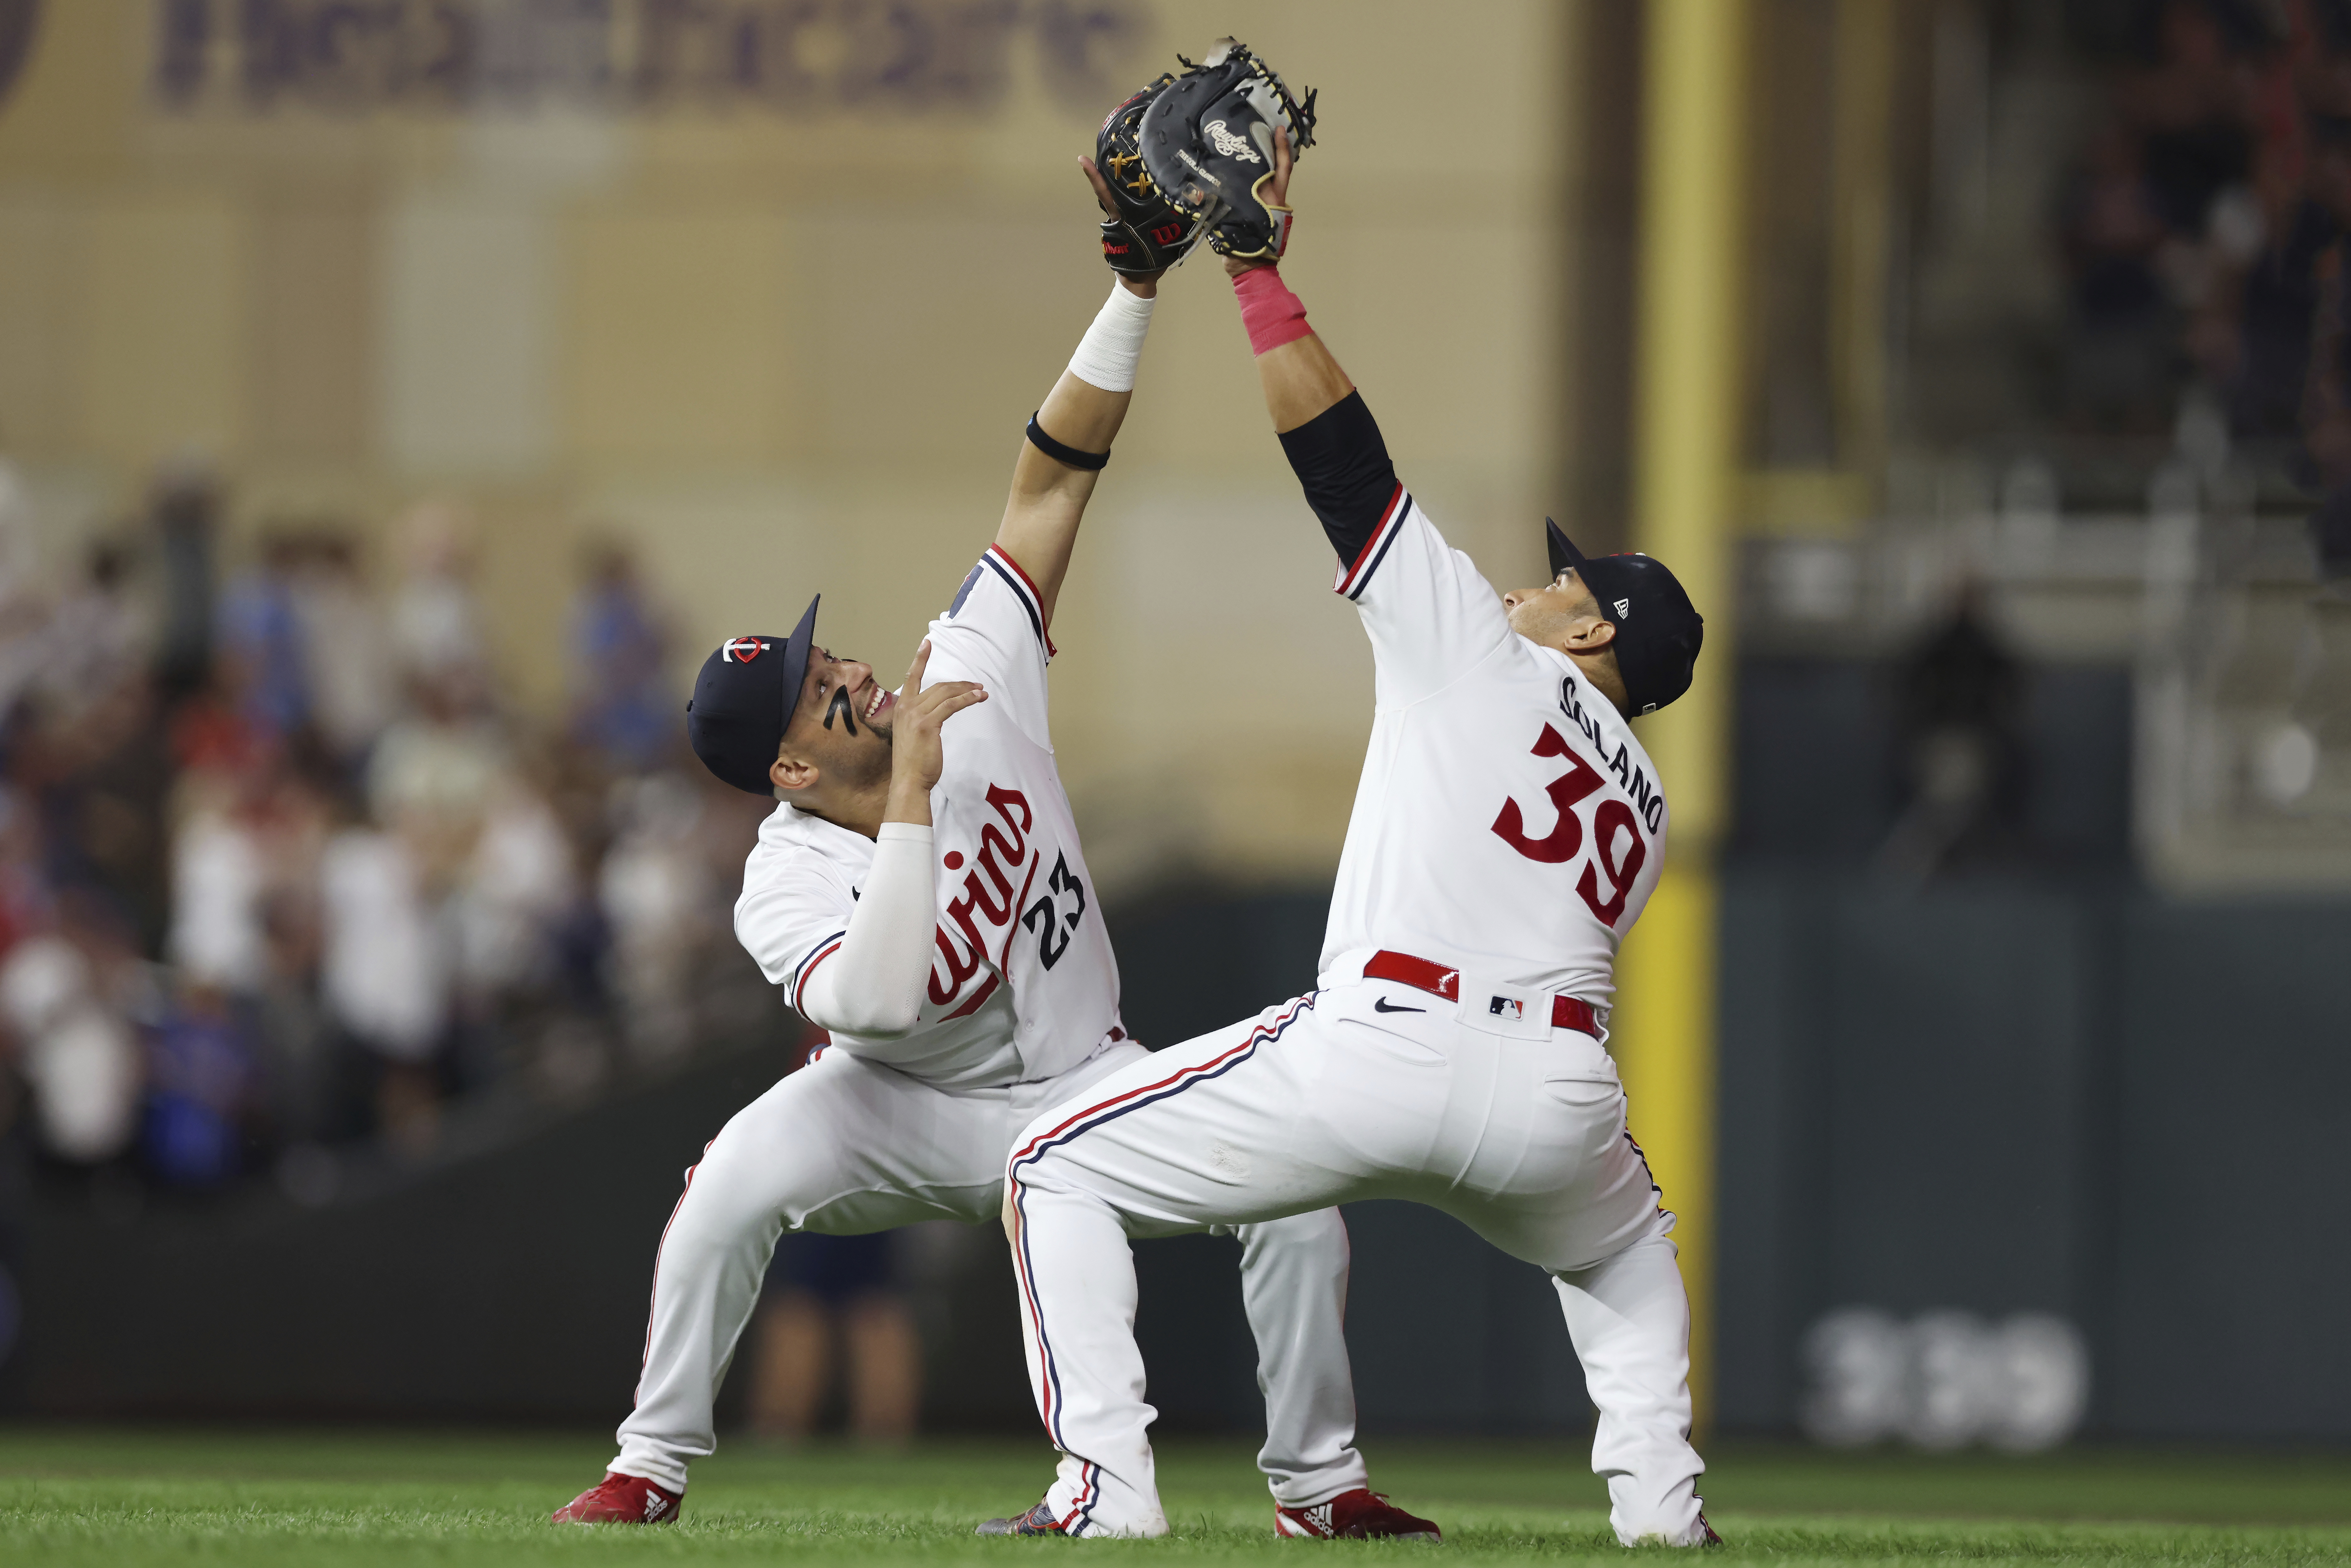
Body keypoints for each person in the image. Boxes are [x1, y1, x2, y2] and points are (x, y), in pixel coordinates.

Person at [551, 157, 1431, 1540]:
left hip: (1085, 1079)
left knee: (1298, 1198)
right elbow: (884, 1006)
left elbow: (1048, 488)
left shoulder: (969, 669)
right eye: (819, 685)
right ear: (790, 767)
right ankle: (648, 1462)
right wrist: (910, 792)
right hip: (893, 1113)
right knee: (726, 1187)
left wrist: (1131, 291)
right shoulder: (781, 883)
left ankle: (1320, 1487)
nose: (848, 667)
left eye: (828, 648)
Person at [992, 124, 1719, 1546]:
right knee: (1633, 1248)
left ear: (1590, 629)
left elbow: (1343, 461)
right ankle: (1659, 1513)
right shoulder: (1648, 802)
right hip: (1560, 1094)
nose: (1529, 580)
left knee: (1050, 1161)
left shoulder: (1493, 657)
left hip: (1388, 1046)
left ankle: (1108, 1489)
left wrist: (1259, 276)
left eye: (1561, 579)